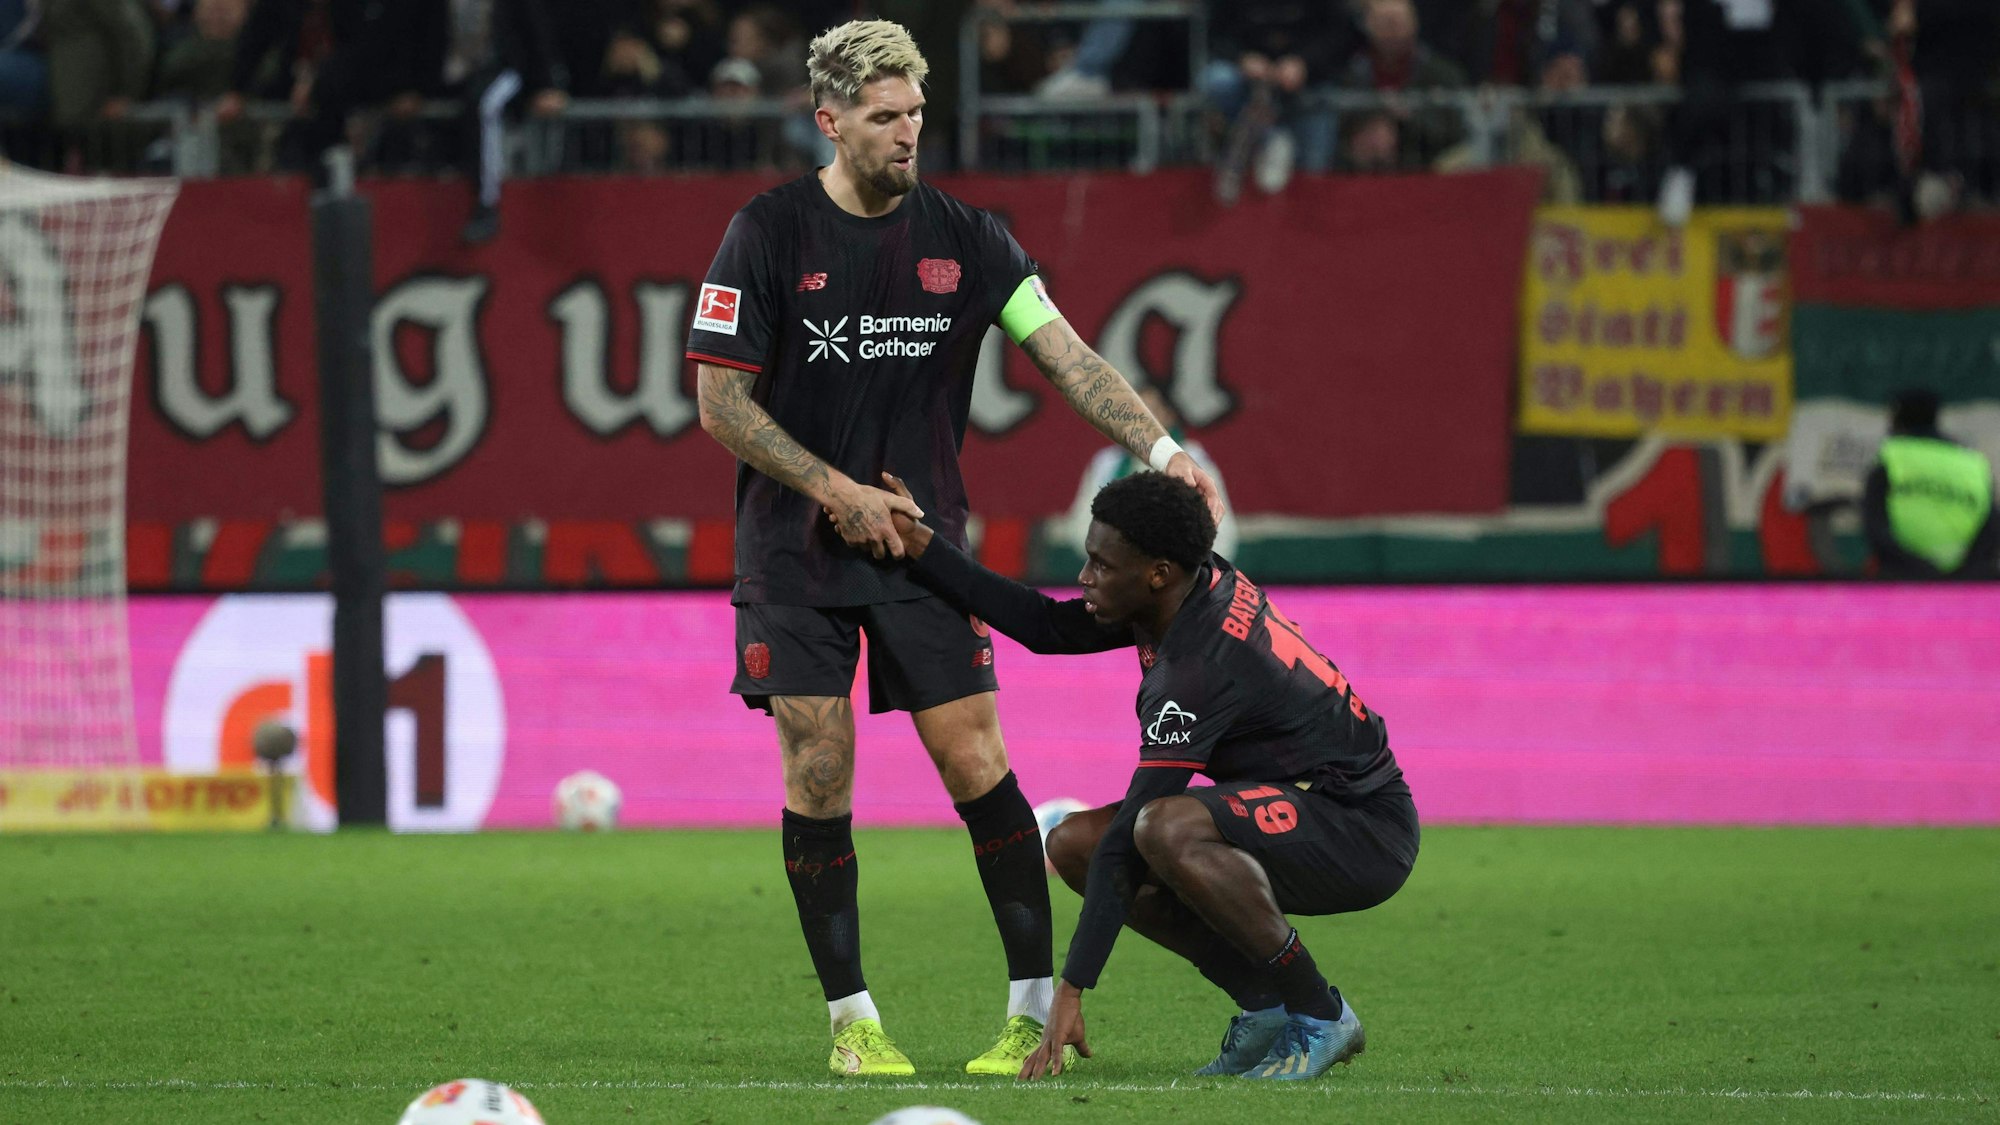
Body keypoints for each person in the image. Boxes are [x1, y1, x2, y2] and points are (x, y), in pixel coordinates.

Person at [684, 18, 1224, 1079]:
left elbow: (1064, 357)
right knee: (819, 764)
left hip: (922, 550)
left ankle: (1030, 1013)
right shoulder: (764, 234)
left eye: (916, 115)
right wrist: (831, 487)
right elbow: (718, 402)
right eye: (883, 118)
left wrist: (1158, 446)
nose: (905, 135)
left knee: (974, 759)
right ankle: (853, 1026)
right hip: (792, 553)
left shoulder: (969, 238)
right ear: (828, 120)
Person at [883, 470, 1418, 1081]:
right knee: (1072, 843)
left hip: (1363, 830)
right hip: (1304, 803)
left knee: (1162, 828)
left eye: (1100, 566)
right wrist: (923, 545)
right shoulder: (1182, 586)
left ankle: (1321, 1013)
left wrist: (1071, 991)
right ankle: (1264, 1003)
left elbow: (1130, 841)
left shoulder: (1196, 666)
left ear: (1156, 573)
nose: (1085, 577)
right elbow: (1047, 628)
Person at [1057, 384, 1237, 562]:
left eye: (1149, 414)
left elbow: (1220, 531)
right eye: (1133, 414)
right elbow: (1081, 526)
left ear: (1169, 416)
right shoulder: (1107, 462)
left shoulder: (1191, 460)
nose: (1140, 422)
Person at [1862, 389, 1998, 578]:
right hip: (1965, 585)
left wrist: (1919, 569)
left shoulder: (1892, 458)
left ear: (1896, 418)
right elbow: (1990, 526)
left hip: (1902, 579)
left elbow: (1875, 526)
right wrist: (1965, 571)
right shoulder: (1972, 463)